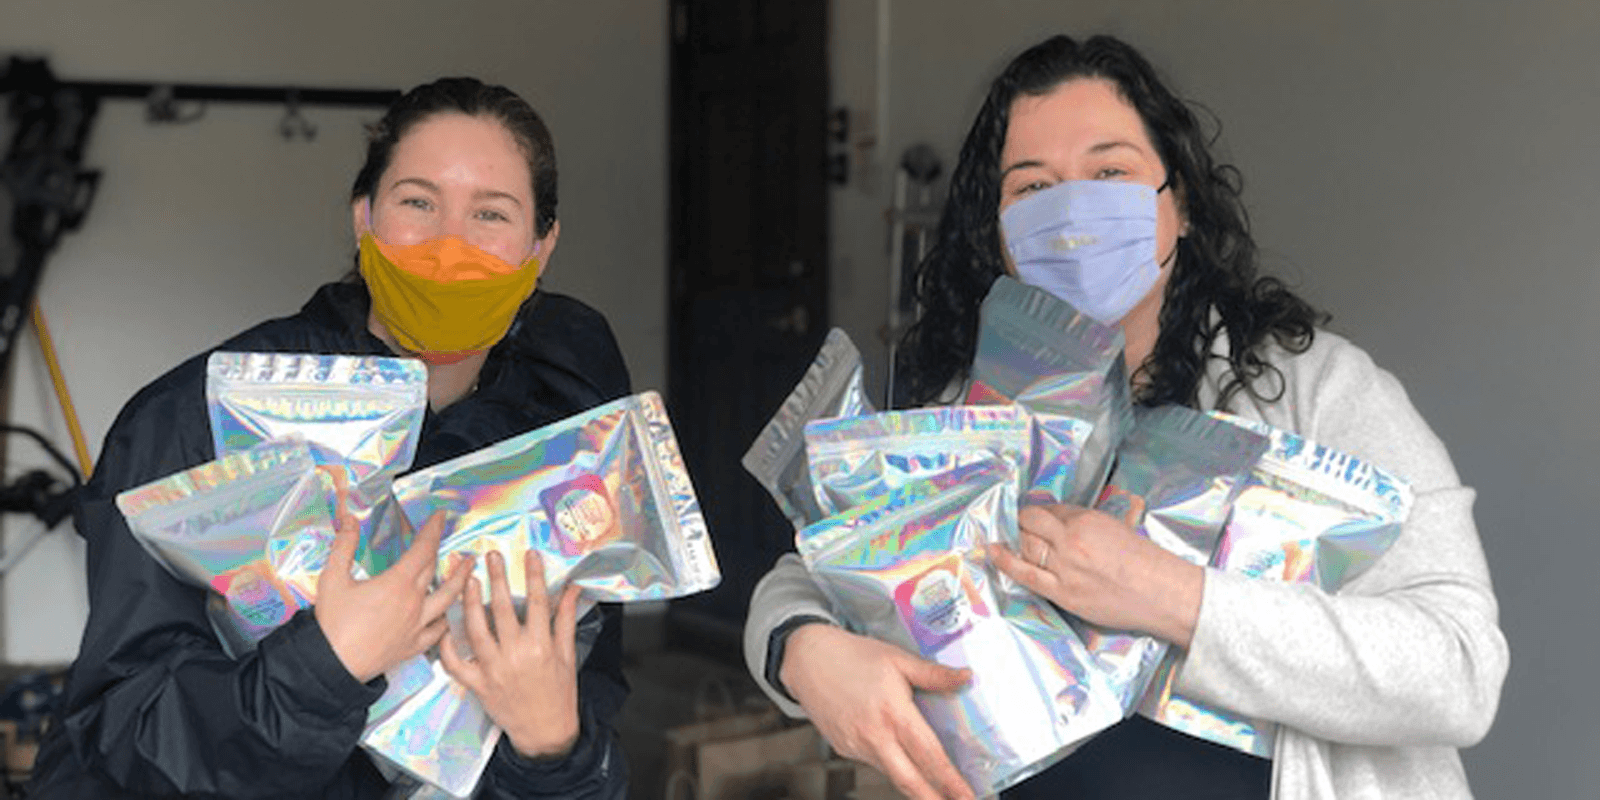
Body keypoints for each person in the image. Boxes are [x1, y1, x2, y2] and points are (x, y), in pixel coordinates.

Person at [744, 34, 1508, 800]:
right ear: (1002, 236)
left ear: (1180, 208)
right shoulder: (972, 405)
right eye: (1033, 188)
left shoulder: (1322, 394)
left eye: (1110, 173)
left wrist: (1171, 596)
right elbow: (812, 569)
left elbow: (1460, 668)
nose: (1072, 214)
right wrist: (800, 652)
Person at [28, 77, 631, 799]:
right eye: (417, 202)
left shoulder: (566, 449)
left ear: (541, 247)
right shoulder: (196, 418)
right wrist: (325, 664)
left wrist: (553, 747)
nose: (450, 245)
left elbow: (586, 730)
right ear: (364, 217)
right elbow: (120, 731)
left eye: (491, 214)